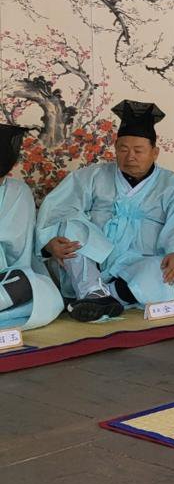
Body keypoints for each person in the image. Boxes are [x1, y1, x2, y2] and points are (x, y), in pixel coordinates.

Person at [36, 101, 174, 321]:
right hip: (95, 259)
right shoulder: (92, 176)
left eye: (138, 150)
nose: (130, 156)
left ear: (155, 152)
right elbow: (58, 207)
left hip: (141, 259)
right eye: (123, 149)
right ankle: (92, 289)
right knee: (70, 225)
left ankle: (107, 297)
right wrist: (49, 242)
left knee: (160, 273)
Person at [0, 125, 64, 330]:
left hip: (6, 276)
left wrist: (48, 245)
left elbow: (23, 246)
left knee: (36, 286)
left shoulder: (18, 191)